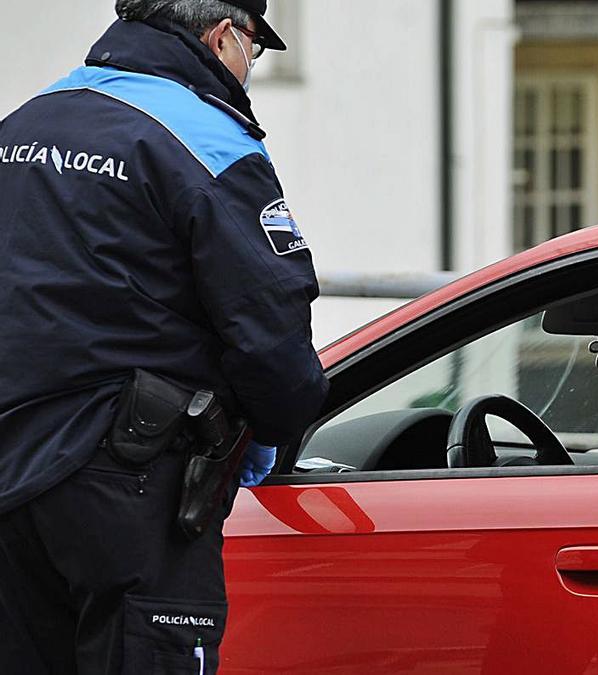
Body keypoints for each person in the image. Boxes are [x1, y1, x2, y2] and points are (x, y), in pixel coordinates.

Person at [0, 1, 328, 672]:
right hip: (134, 486)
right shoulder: (210, 141)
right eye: (251, 52)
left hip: (12, 477)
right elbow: (270, 328)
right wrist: (277, 422)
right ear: (220, 36)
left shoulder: (25, 123)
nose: (247, 71)